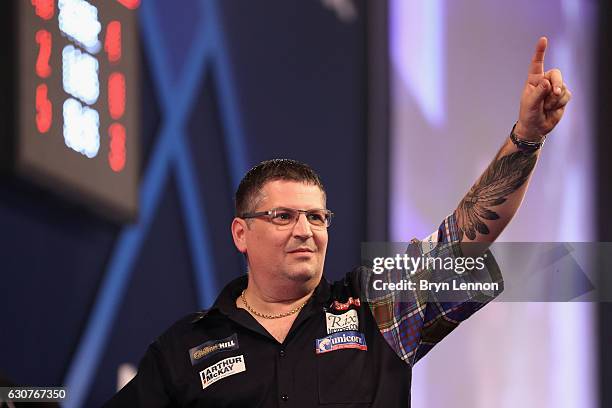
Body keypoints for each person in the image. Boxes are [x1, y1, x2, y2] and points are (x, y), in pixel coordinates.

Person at [104, 36, 571, 407]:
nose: (304, 230)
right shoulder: (186, 347)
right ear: (241, 233)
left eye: (316, 216)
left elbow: (465, 237)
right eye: (283, 216)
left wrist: (526, 138)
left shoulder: (377, 305)